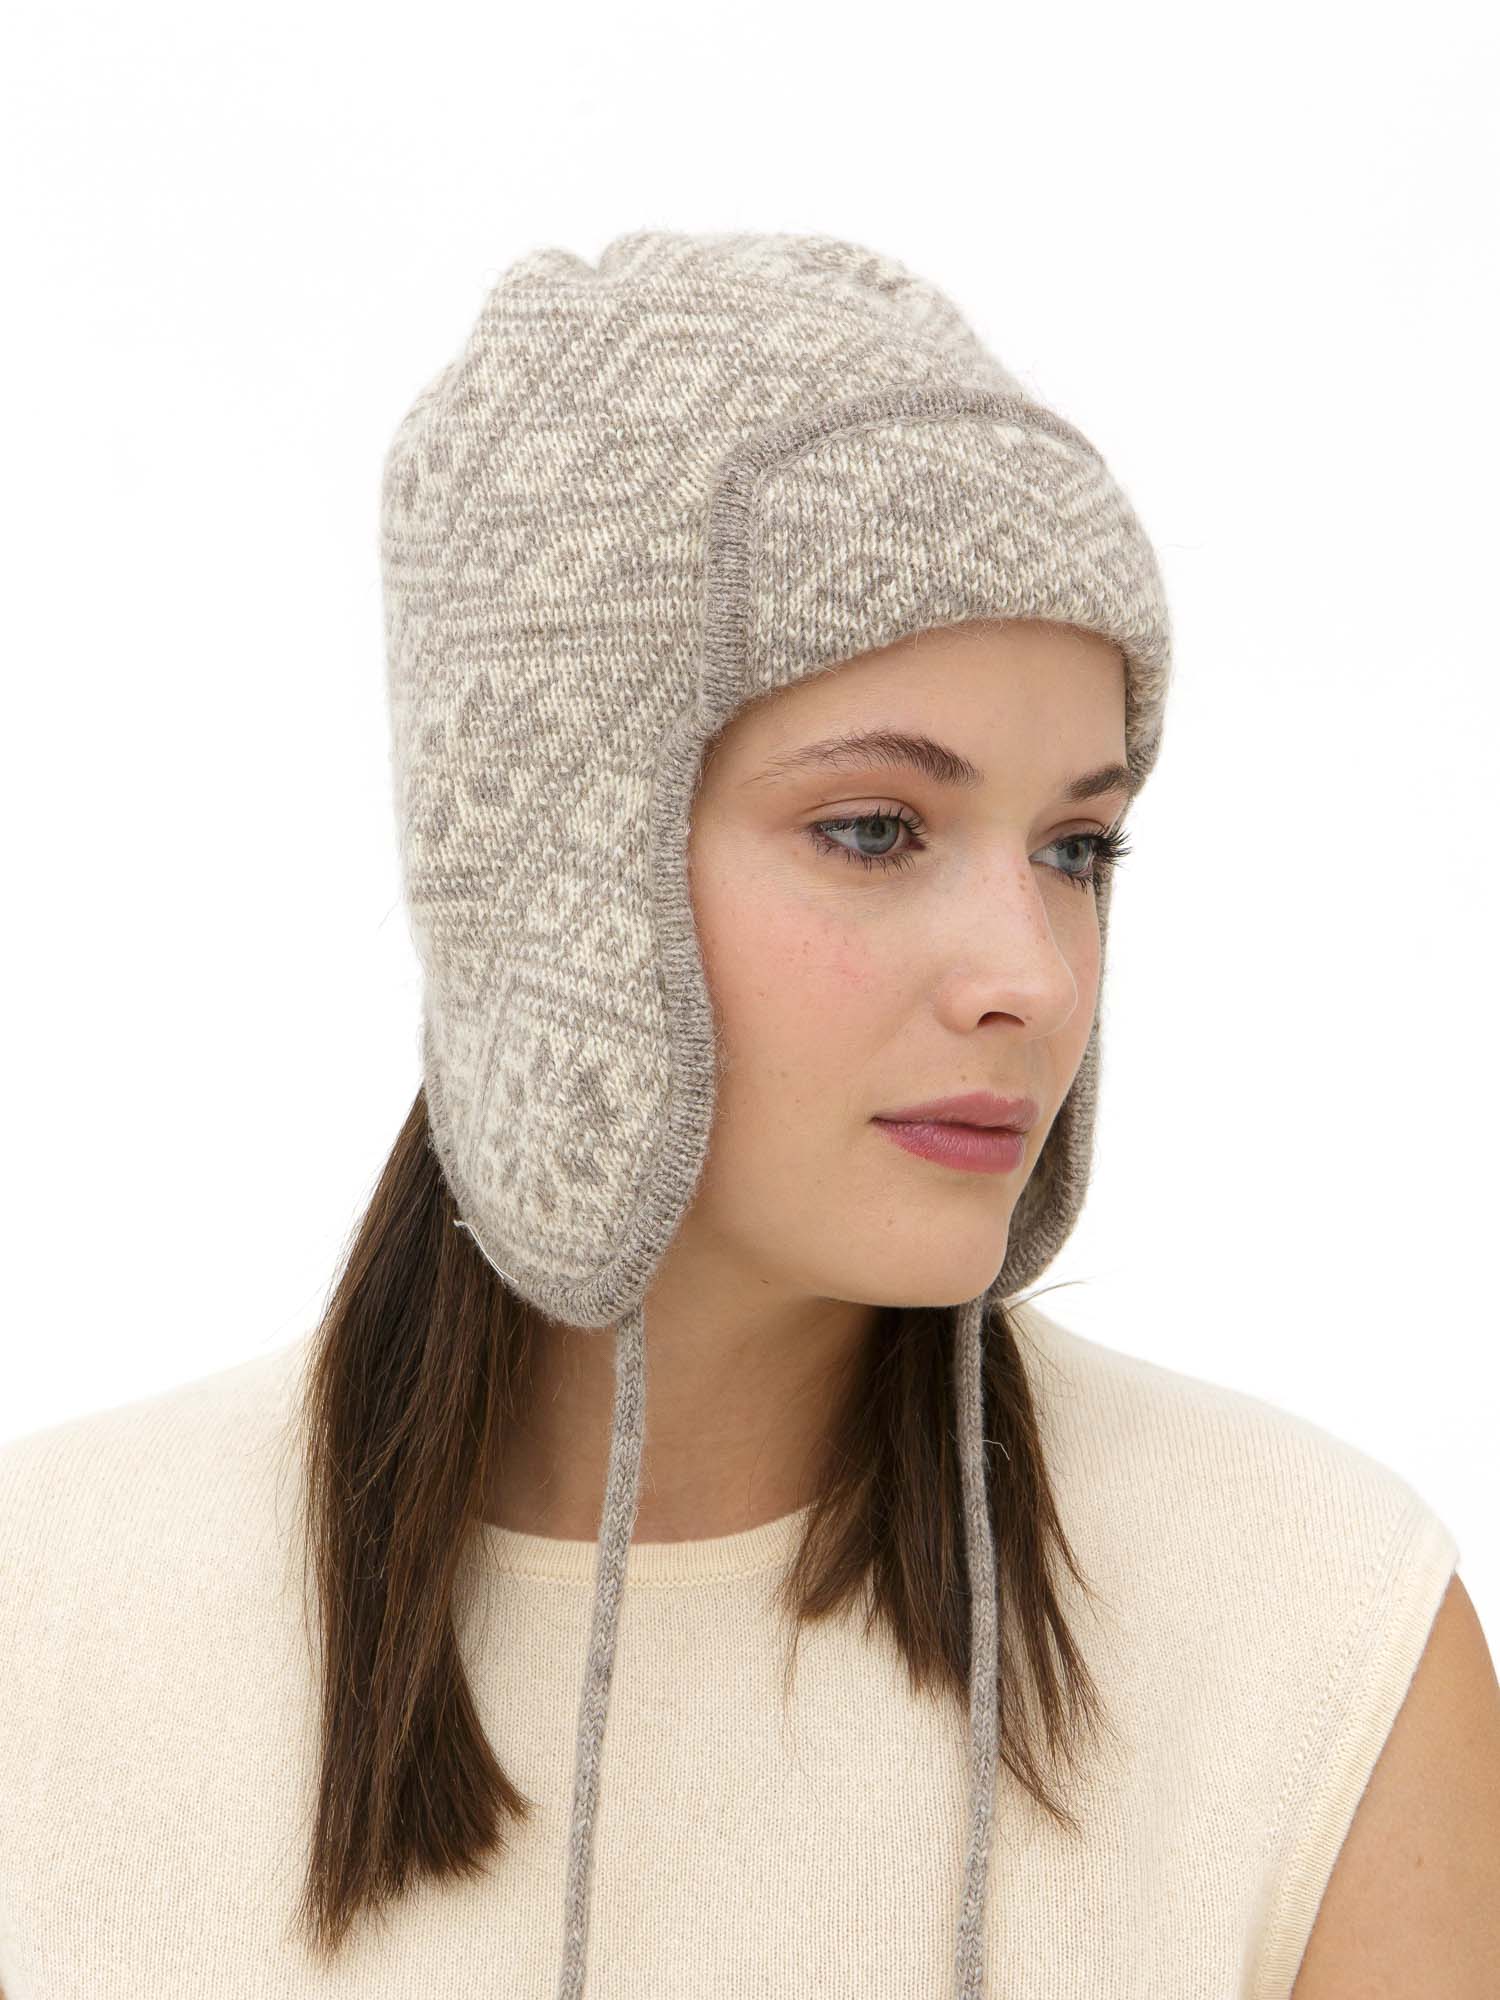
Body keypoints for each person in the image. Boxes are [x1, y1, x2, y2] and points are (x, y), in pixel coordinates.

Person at [1, 229, 1495, 2000]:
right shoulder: (49, 1615)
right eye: (874, 829)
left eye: (1076, 848)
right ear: (563, 879)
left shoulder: (1320, 1635)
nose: (1031, 976)